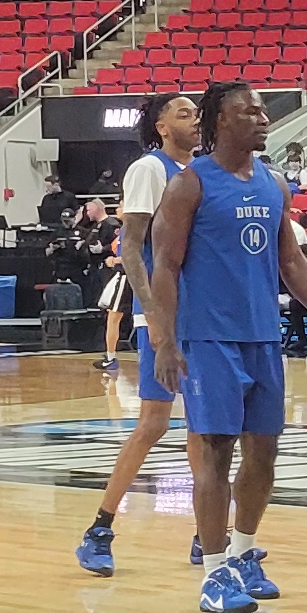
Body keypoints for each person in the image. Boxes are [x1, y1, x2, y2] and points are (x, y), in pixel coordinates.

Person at [144, 82, 307, 613]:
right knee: (214, 453)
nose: (262, 120)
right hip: (209, 339)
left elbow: (291, 262)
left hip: (263, 335)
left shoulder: (273, 184)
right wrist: (165, 341)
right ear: (219, 122)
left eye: (262, 112)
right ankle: (214, 574)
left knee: (264, 454)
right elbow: (163, 267)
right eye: (248, 112)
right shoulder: (190, 185)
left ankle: (243, 553)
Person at [77, 94, 201, 577]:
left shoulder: (202, 171)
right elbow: (131, 248)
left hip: (203, 314)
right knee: (152, 423)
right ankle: (100, 528)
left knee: (205, 428)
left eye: (197, 112)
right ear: (162, 126)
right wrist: (151, 316)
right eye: (184, 112)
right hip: (165, 317)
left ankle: (206, 534)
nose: (195, 120)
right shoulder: (150, 169)